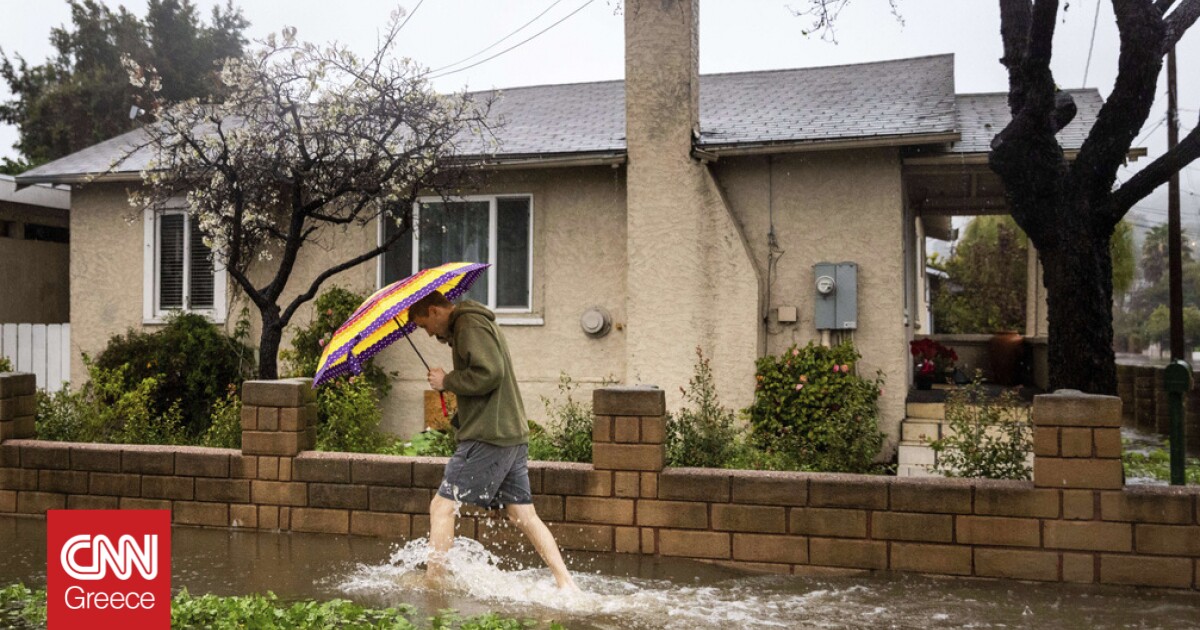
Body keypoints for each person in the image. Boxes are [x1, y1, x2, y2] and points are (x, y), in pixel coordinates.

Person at [409, 290, 579, 592]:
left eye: (424, 325)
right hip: (509, 434)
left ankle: (433, 584)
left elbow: (490, 373)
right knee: (523, 514)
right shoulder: (473, 325)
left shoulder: (468, 325)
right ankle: (566, 582)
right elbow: (486, 377)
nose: (427, 332)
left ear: (434, 311)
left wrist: (446, 381)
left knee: (441, 507)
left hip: (489, 435)